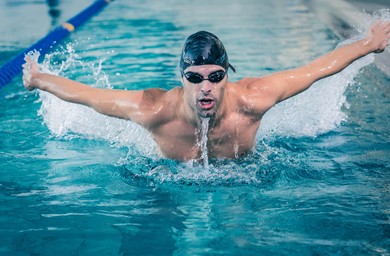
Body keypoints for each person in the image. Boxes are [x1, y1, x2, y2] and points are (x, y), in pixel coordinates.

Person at [23, 21, 390, 161]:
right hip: (169, 179)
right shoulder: (153, 109)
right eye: (195, 78)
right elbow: (87, 95)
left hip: (242, 178)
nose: (206, 88)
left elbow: (316, 69)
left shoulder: (253, 98)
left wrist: (368, 44)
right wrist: (39, 78)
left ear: (227, 74)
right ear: (181, 77)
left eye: (215, 76)